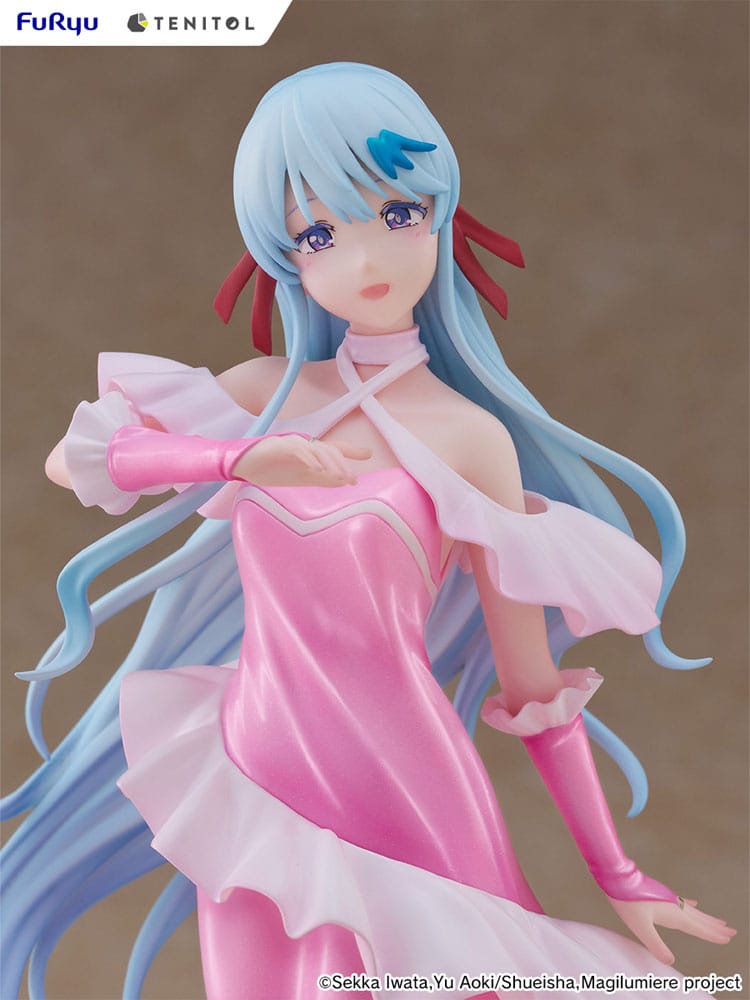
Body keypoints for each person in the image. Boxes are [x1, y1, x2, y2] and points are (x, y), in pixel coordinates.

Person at [1, 63, 734, 1000]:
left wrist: (618, 874)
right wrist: (233, 458)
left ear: (441, 211)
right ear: (283, 257)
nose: (365, 260)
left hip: (413, 784)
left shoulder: (469, 439)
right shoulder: (260, 398)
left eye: (396, 214)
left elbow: (533, 689)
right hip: (263, 771)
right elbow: (79, 459)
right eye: (319, 234)